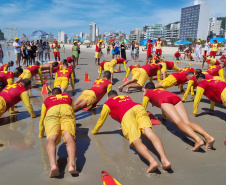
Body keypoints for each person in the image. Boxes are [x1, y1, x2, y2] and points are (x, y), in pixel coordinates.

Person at [92, 90, 171, 173]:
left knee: (136, 140)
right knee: (150, 133)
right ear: (117, 95)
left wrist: (95, 131)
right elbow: (125, 108)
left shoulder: (108, 102)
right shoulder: (126, 97)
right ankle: (165, 160)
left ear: (108, 97)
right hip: (139, 107)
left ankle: (152, 162)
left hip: (126, 114)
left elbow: (102, 119)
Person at [142, 82, 215, 151]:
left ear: (147, 89)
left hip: (165, 101)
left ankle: (198, 140)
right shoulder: (161, 89)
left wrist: (145, 93)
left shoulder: (148, 93)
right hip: (175, 97)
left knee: (179, 122)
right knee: (187, 122)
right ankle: (208, 137)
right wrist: (164, 118)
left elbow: (143, 108)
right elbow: (163, 106)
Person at [39, 88, 78, 177]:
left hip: (52, 112)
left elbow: (42, 118)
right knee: (69, 138)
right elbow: (72, 111)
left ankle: (53, 165)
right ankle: (71, 166)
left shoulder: (47, 99)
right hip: (66, 110)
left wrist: (41, 133)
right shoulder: (67, 97)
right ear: (61, 93)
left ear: (52, 94)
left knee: (51, 138)